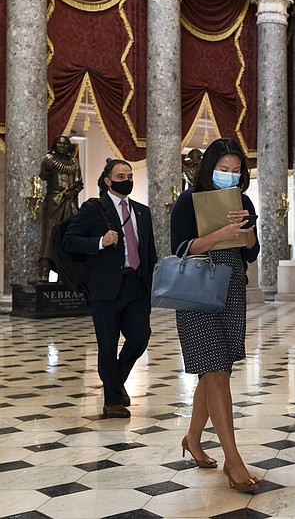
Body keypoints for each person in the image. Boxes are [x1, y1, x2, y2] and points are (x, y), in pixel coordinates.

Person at [170, 138, 260, 492]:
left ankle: (193, 438)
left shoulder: (245, 201)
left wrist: (248, 234)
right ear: (209, 168)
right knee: (218, 372)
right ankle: (233, 460)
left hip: (233, 288)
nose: (230, 175)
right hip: (196, 290)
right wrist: (220, 233)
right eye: (223, 170)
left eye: (236, 170)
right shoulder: (186, 202)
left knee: (214, 372)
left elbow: (250, 254)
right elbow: (178, 248)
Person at [63, 158, 156, 418]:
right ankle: (112, 400)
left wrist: (152, 282)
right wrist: (100, 242)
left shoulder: (142, 211)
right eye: (120, 176)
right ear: (107, 181)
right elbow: (70, 241)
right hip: (105, 287)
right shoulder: (94, 209)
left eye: (129, 176)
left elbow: (149, 251)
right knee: (107, 344)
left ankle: (115, 382)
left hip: (137, 284)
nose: (126, 180)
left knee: (140, 337)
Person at [39, 135, 84, 281]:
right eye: (59, 144)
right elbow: (44, 176)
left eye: (65, 144)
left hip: (70, 201)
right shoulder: (50, 160)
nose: (62, 147)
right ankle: (44, 272)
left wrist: (73, 192)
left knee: (68, 235)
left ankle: (64, 273)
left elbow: (79, 183)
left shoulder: (73, 162)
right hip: (54, 201)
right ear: (54, 145)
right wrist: (46, 167)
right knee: (50, 234)